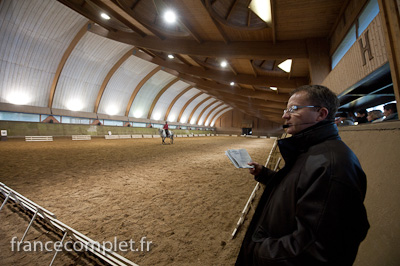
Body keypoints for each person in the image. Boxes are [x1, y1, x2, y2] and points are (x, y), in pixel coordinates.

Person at [236, 85, 369, 266]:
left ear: (321, 114)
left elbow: (313, 250)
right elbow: (296, 187)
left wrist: (256, 250)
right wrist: (264, 174)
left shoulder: (331, 166)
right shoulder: (311, 152)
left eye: (294, 109)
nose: (285, 115)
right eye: (286, 109)